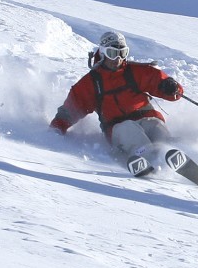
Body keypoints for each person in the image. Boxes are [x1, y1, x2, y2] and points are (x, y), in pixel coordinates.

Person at [50, 30, 184, 174]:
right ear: (102, 53)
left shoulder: (135, 71)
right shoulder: (92, 82)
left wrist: (170, 87)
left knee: (155, 124)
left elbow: (161, 82)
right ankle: (147, 159)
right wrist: (57, 128)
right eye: (113, 53)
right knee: (129, 128)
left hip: (145, 117)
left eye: (123, 53)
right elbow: (74, 106)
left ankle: (172, 155)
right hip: (118, 128)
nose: (118, 58)